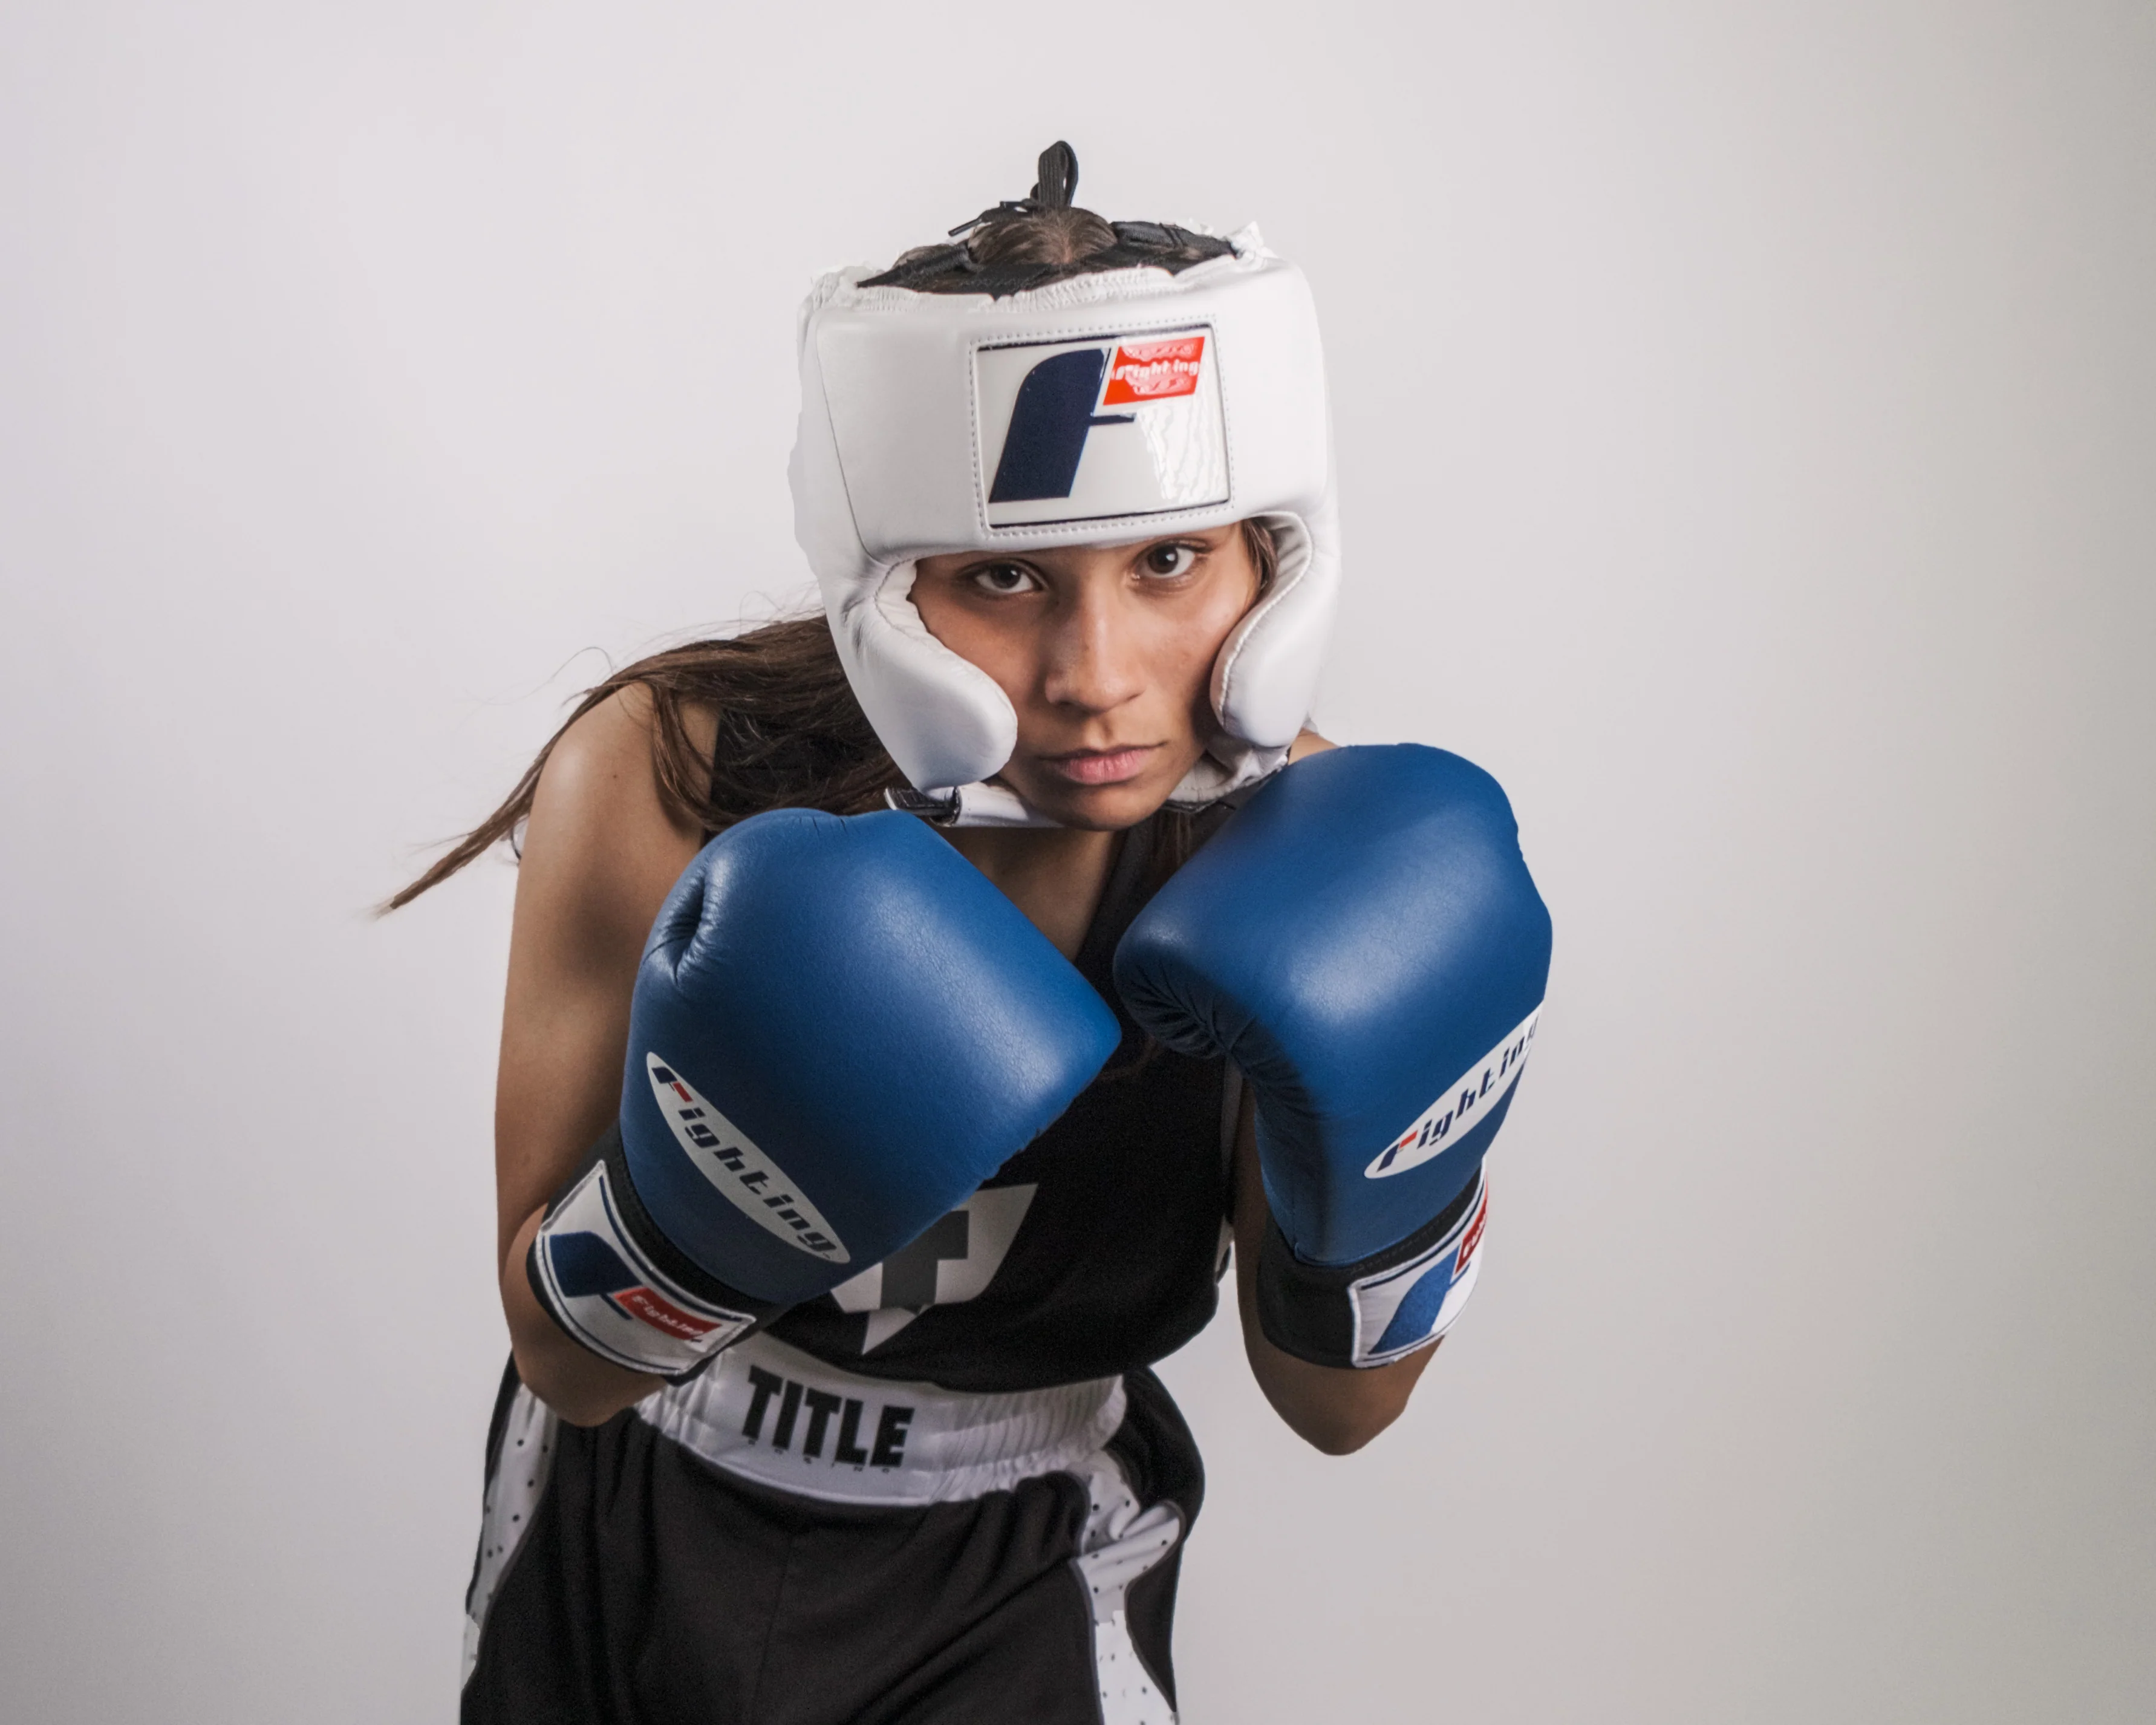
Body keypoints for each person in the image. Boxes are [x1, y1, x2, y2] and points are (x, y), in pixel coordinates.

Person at [392, 144, 1552, 1725]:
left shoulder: (1316, 871)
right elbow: (571, 1360)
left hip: (1020, 1556)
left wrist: (1398, 1171)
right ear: (887, 574)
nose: (1093, 671)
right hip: (636, 1504)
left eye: (1166, 561)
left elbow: (1337, 1408)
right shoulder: (673, 773)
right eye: (1002, 575)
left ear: (1269, 552)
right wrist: (703, 1199)